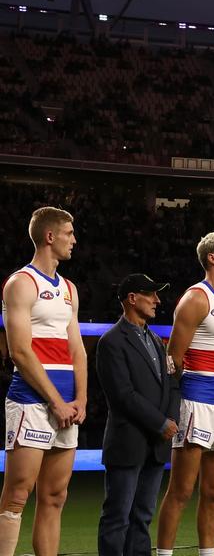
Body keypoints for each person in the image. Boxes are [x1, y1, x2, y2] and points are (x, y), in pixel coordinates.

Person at [0, 207, 85, 556]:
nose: (74, 240)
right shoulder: (21, 283)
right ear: (50, 236)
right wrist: (56, 401)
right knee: (17, 495)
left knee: (55, 497)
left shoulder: (68, 288)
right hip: (31, 402)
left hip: (66, 404)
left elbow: (77, 349)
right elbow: (19, 351)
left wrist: (80, 399)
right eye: (69, 233)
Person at [156, 232, 214, 556]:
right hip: (196, 401)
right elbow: (173, 359)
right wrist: (176, 403)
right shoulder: (195, 298)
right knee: (180, 490)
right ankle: (164, 553)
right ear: (212, 258)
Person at [96, 274, 178, 556]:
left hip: (155, 444)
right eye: (150, 294)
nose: (157, 300)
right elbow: (122, 394)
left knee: (141, 518)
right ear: (132, 298)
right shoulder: (111, 341)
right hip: (128, 441)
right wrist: (161, 422)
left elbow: (171, 384)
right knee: (118, 517)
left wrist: (170, 419)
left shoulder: (156, 340)